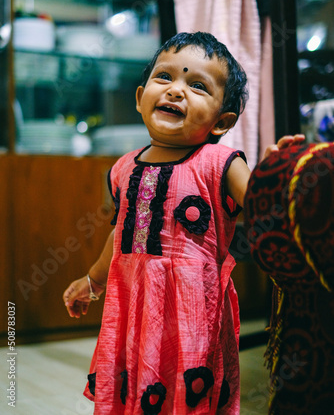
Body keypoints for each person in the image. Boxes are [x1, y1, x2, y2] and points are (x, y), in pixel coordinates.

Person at [63, 32, 304, 414]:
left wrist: (278, 171)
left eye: (196, 85)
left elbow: (265, 206)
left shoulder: (219, 162)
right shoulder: (124, 167)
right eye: (165, 77)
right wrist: (93, 279)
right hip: (132, 304)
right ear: (140, 97)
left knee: (187, 393)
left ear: (221, 121)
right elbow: (123, 230)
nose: (176, 91)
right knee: (133, 385)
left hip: (192, 309)